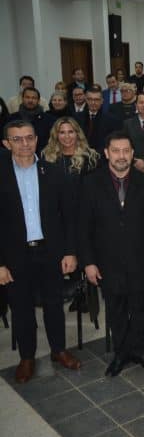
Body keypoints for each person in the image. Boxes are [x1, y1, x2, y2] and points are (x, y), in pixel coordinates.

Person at [78, 131, 144, 377]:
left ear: (133, 153)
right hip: (107, 261)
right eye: (115, 151)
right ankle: (120, 353)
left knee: (139, 308)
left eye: (126, 151)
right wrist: (89, 263)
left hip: (141, 259)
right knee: (115, 309)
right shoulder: (90, 182)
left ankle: (139, 351)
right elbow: (83, 227)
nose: (121, 156)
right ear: (106, 153)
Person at [0, 120, 81, 383]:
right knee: (21, 307)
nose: (24, 144)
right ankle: (27, 357)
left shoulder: (53, 171)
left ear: (37, 140)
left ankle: (58, 350)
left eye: (29, 138)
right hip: (15, 255)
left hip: (51, 251)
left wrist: (70, 251)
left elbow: (69, 216)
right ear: (6, 143)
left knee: (54, 304)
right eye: (17, 139)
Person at [9, 87, 56, 155]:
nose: (30, 100)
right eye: (27, 97)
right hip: (18, 157)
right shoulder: (11, 119)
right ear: (22, 99)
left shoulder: (50, 119)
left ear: (39, 100)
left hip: (44, 158)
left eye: (34, 98)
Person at [77, 87, 122, 152]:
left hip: (103, 156)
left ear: (102, 101)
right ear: (86, 100)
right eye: (90, 99)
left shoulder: (112, 120)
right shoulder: (77, 118)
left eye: (96, 100)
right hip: (81, 154)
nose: (93, 102)